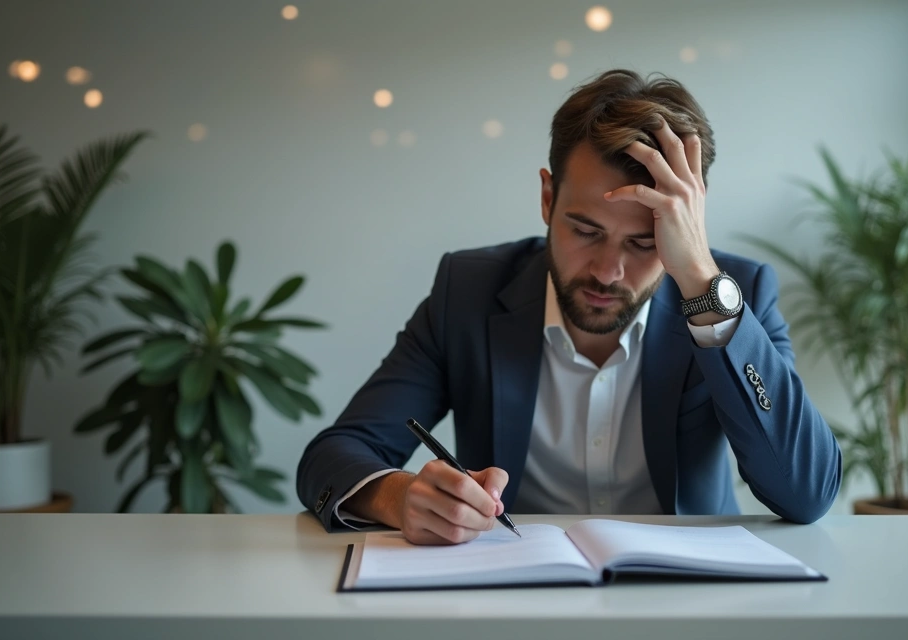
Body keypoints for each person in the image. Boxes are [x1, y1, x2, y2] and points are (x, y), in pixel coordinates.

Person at [296, 69, 841, 544]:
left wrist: (700, 279)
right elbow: (335, 453)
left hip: (683, 598)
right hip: (517, 589)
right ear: (547, 199)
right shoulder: (467, 292)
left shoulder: (734, 294)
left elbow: (808, 492)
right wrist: (399, 497)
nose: (607, 271)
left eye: (644, 243)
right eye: (585, 230)